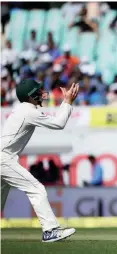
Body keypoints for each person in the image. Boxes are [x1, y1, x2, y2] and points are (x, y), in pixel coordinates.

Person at [1, 79, 79, 242]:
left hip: (4, 158)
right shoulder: (29, 112)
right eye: (37, 91)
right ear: (30, 96)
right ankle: (50, 230)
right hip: (3, 159)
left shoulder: (23, 109)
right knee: (36, 188)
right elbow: (59, 123)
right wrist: (67, 102)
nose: (41, 94)